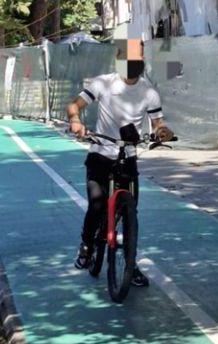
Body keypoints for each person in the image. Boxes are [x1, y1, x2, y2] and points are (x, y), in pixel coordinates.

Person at [66, 35, 174, 287]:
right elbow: (74, 105)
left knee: (130, 212)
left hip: (128, 158)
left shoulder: (149, 92)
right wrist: (76, 120)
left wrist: (163, 132)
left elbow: (158, 124)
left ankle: (130, 265)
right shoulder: (103, 83)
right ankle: (86, 246)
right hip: (100, 155)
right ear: (119, 58)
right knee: (96, 204)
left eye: (139, 56)